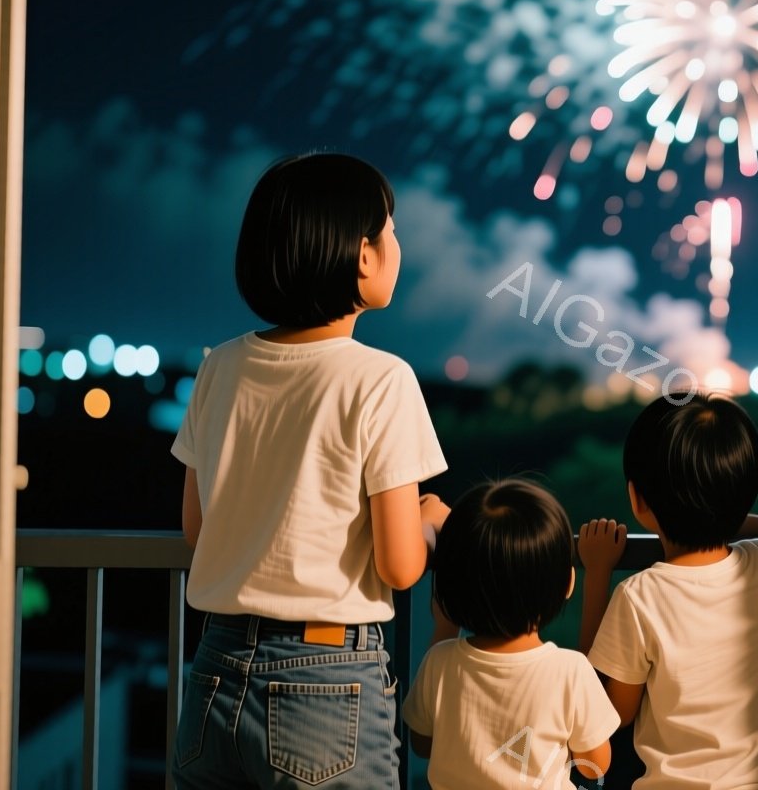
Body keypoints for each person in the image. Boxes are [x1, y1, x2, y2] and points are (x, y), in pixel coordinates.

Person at [171, 153, 450, 790]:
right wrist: (430, 521)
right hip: (324, 680)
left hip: (215, 664)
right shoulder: (381, 379)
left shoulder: (221, 366)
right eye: (391, 230)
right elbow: (400, 565)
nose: (398, 246)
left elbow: (197, 527)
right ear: (362, 255)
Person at [580, 395, 758, 789]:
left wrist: (597, 573)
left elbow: (611, 711)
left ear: (638, 500)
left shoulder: (640, 596)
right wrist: (729, 519)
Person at [403, 480, 620, 789]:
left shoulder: (438, 662)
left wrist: (444, 626)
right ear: (567, 584)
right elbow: (595, 765)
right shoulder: (570, 671)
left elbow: (422, 744)